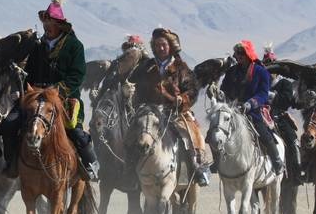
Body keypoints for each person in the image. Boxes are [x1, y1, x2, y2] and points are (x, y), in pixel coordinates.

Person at [0, 0, 100, 181]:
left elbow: (77, 76)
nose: (46, 27)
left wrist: (55, 92)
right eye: (44, 24)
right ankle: (12, 163)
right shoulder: (38, 46)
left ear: (59, 25)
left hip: (64, 99)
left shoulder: (74, 46)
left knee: (76, 133)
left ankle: (90, 166)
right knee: (8, 125)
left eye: (49, 24)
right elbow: (29, 73)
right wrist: (24, 84)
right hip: (36, 98)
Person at [127, 27, 211, 187]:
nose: (160, 48)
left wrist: (182, 99)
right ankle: (130, 170)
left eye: (163, 44)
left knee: (192, 136)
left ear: (170, 46)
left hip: (175, 112)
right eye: (157, 45)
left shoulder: (181, 67)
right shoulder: (147, 67)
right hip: (150, 111)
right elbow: (136, 85)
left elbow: (192, 89)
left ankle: (197, 168)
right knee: (131, 134)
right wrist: (131, 92)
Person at [220, 40, 285, 174]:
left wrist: (249, 104)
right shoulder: (231, 71)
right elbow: (224, 89)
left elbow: (263, 93)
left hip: (253, 111)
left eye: (242, 54)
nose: (239, 56)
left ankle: (277, 161)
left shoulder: (261, 72)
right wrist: (218, 93)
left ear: (248, 54)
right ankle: (218, 162)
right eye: (237, 54)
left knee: (264, 133)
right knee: (217, 132)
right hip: (233, 110)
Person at [268, 75, 305, 183]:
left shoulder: (285, 83)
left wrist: (271, 95)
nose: (270, 73)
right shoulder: (262, 81)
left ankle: (298, 170)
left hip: (280, 117)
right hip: (263, 115)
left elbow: (286, 99)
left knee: (293, 141)